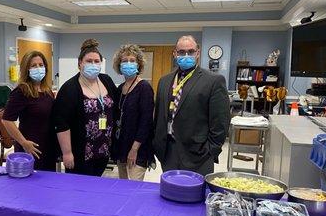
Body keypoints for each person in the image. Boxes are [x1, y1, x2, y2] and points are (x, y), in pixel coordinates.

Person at [153, 35, 230, 176]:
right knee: (171, 192)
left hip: (198, 154)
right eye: (181, 52)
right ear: (175, 54)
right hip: (168, 151)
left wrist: (210, 150)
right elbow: (158, 116)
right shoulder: (164, 81)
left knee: (194, 194)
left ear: (198, 53)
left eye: (191, 51)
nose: (186, 55)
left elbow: (220, 121)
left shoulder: (213, 81)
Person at [53, 39, 117, 176]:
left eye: (96, 61)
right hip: (80, 153)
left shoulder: (106, 81)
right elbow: (61, 124)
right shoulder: (69, 88)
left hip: (103, 150)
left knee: (95, 187)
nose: (93, 64)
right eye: (89, 61)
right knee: (79, 191)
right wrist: (67, 153)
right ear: (80, 63)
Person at [2, 50, 56, 171]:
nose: (38, 68)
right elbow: (7, 120)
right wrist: (23, 142)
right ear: (26, 69)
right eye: (34, 65)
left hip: (48, 146)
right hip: (30, 147)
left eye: (41, 65)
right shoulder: (21, 92)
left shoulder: (47, 91)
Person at [111, 44, 154, 181]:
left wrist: (134, 149)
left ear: (138, 64)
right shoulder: (120, 89)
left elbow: (146, 122)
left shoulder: (144, 88)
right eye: (124, 61)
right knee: (123, 188)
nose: (128, 64)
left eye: (132, 60)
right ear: (119, 65)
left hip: (137, 149)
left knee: (134, 189)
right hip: (121, 146)